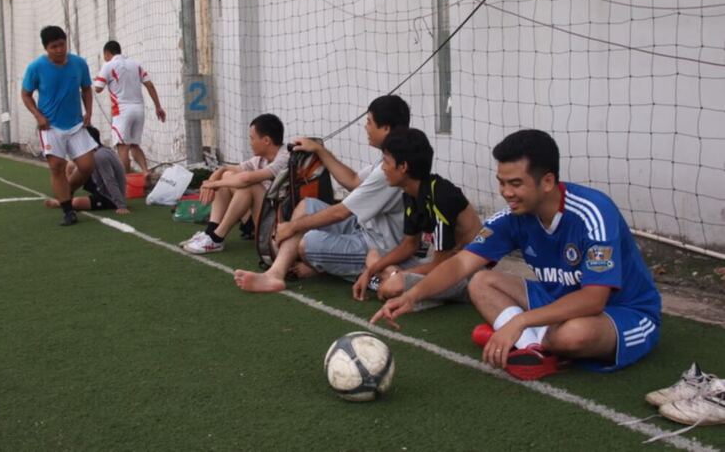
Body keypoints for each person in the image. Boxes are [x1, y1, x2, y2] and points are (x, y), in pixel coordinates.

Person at [372, 129, 661, 381]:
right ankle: (534, 346)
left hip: (623, 312)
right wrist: (413, 294)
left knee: (572, 336)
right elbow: (462, 262)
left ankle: (530, 339)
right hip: (558, 300)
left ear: (547, 182)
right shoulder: (512, 216)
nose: (506, 193)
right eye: (501, 182)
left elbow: (594, 298)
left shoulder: (593, 212)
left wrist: (519, 321)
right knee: (480, 282)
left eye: (516, 183)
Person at [234, 95, 411, 293]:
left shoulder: (391, 169)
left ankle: (368, 270)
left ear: (386, 128)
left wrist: (291, 227)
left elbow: (341, 212)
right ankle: (276, 274)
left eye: (369, 122)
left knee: (307, 244)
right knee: (307, 205)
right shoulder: (386, 160)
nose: (365, 127)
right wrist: (319, 150)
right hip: (362, 227)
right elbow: (353, 180)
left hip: (378, 245)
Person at [352, 128, 482, 303]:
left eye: (386, 162)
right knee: (373, 256)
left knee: (395, 284)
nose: (383, 168)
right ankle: (383, 279)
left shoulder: (441, 197)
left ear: (403, 166)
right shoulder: (410, 192)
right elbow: (409, 245)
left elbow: (441, 265)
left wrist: (399, 276)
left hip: (463, 272)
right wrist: (371, 271)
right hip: (440, 265)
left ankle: (390, 282)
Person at [180, 114, 289, 254]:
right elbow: (231, 170)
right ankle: (210, 233)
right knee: (227, 176)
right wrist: (216, 177)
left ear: (266, 140)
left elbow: (247, 179)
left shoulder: (285, 157)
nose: (250, 142)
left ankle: (216, 238)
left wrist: (214, 184)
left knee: (249, 185)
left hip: (277, 223)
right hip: (260, 217)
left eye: (252, 138)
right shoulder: (260, 159)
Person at [21, 25, 96, 226]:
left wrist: (88, 112)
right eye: (54, 47)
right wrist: (38, 116)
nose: (59, 49)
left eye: (62, 44)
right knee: (57, 167)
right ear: (46, 48)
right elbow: (25, 95)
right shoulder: (36, 67)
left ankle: (67, 191)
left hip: (76, 124)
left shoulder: (79, 64)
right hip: (50, 126)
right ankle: (68, 211)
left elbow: (87, 89)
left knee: (87, 165)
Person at [93, 40, 166, 174]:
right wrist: (158, 107)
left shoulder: (108, 65)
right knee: (134, 145)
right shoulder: (136, 64)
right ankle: (145, 172)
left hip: (122, 111)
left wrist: (96, 79)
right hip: (139, 110)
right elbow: (149, 85)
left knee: (122, 147)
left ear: (107, 53)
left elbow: (98, 88)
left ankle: (124, 181)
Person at [44, 126, 129, 215]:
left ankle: (62, 202)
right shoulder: (98, 151)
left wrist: (121, 205)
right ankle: (67, 196)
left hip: (108, 196)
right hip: (100, 185)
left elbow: (110, 180)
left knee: (76, 203)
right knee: (71, 165)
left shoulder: (100, 156)